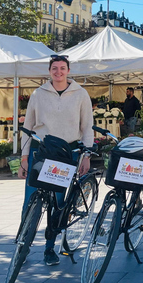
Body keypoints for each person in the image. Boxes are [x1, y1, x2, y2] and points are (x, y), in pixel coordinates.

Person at [18, 55, 94, 266]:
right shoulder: (38, 93)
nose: (58, 72)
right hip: (40, 151)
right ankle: (24, 243)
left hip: (66, 153)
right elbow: (29, 127)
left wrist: (86, 154)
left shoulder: (81, 94)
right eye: (54, 68)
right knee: (30, 199)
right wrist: (24, 158)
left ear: (68, 70)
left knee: (58, 203)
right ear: (49, 71)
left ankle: (49, 248)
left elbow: (87, 126)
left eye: (62, 68)